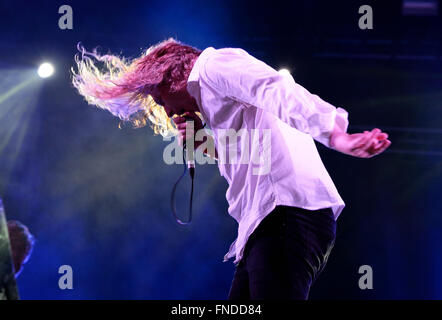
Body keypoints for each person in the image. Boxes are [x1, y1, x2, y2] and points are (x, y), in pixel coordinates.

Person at [71, 38, 391, 299]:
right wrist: (204, 143)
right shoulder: (215, 100)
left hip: (285, 213)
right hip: (267, 222)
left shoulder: (214, 65)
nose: (166, 110)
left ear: (172, 73)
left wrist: (335, 135)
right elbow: (255, 154)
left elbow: (277, 89)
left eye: (160, 98)